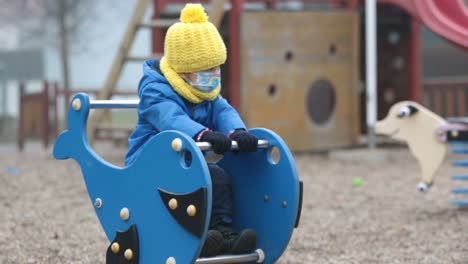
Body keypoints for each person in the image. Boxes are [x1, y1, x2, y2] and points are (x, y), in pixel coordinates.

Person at [124, 3, 258, 257]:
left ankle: (222, 235)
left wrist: (237, 132)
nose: (215, 75)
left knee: (216, 177)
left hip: (183, 162)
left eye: (217, 68)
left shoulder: (202, 90)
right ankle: (195, 236)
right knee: (204, 178)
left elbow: (223, 111)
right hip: (149, 165)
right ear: (184, 71)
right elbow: (170, 118)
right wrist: (201, 134)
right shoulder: (155, 91)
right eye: (208, 69)